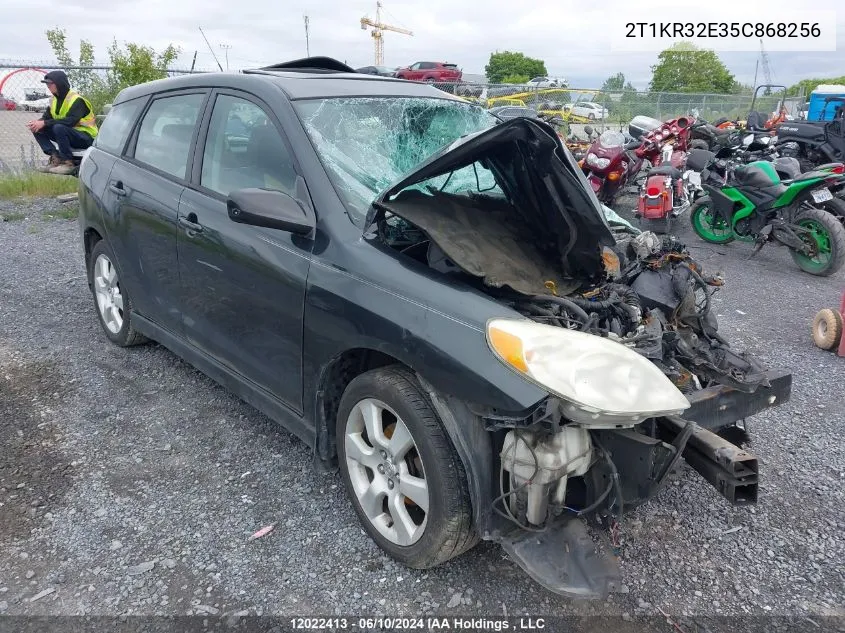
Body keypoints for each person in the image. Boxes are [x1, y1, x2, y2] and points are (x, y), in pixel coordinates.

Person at [25, 70, 98, 175]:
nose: (48, 86)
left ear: (59, 83)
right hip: (67, 135)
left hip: (86, 137)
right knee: (37, 128)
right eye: (47, 84)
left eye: (50, 83)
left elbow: (71, 121)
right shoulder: (53, 100)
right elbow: (46, 118)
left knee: (58, 127)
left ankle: (67, 163)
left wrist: (45, 123)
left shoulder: (76, 100)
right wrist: (38, 123)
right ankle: (55, 157)